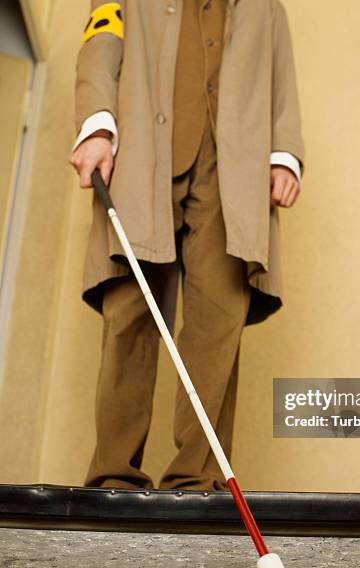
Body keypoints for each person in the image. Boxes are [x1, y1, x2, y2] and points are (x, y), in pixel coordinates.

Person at [69, 0, 305, 490]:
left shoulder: (265, 5)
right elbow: (100, 43)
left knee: (219, 319)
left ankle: (198, 479)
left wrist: (284, 154)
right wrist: (96, 122)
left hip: (230, 171)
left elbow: (279, 69)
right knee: (130, 310)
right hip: (141, 156)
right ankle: (114, 476)